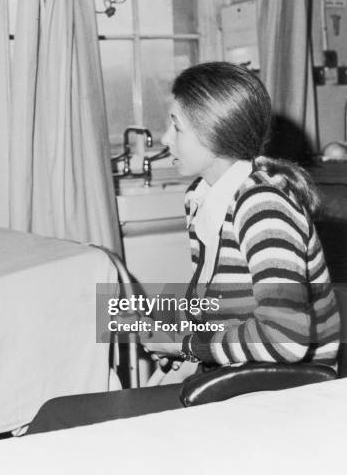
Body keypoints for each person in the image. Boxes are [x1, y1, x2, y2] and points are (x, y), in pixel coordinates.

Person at [27, 61, 340, 433]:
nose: (165, 138)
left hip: (273, 391)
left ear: (215, 133)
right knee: (99, 316)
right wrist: (157, 323)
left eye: (176, 126)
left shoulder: (264, 208)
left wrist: (187, 344)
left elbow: (285, 339)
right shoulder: (204, 197)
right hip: (234, 369)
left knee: (59, 417)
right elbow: (220, 300)